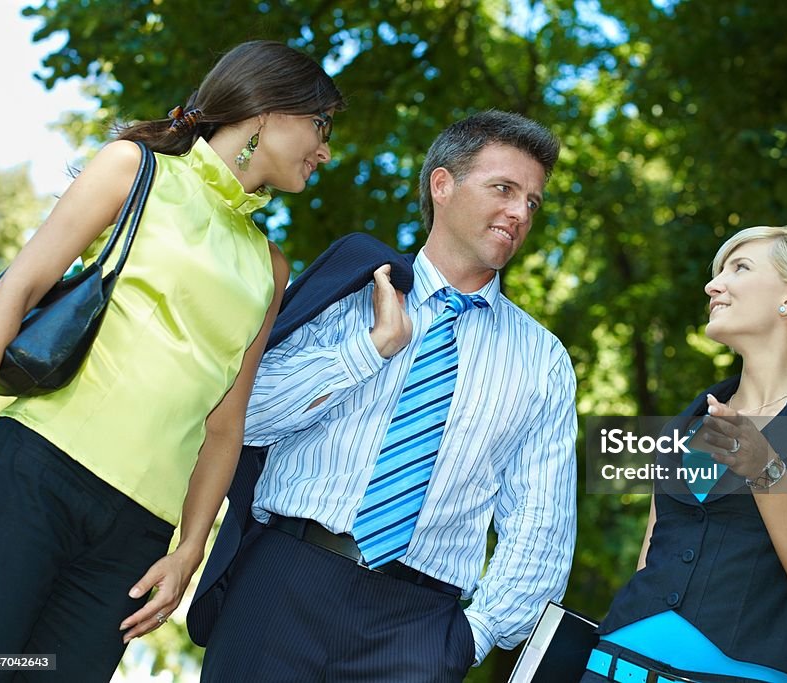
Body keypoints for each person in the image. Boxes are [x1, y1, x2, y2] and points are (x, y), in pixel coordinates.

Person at [0, 40, 343, 682]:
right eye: (320, 125)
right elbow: (19, 287)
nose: (325, 150)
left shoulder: (270, 268)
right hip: (37, 474)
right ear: (268, 110)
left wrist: (189, 551)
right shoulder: (134, 169)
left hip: (136, 538)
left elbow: (226, 426)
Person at [199, 110, 578, 682]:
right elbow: (245, 416)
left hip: (420, 630)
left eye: (533, 201)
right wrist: (370, 349)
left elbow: (541, 521)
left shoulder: (543, 360)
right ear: (443, 185)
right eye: (504, 188)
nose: (520, 212)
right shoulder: (350, 289)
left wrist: (474, 636)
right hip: (283, 583)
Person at [583, 226, 787, 683]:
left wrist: (766, 471)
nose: (713, 285)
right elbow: (650, 564)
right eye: (718, 272)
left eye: (740, 268)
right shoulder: (686, 423)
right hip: (612, 666)